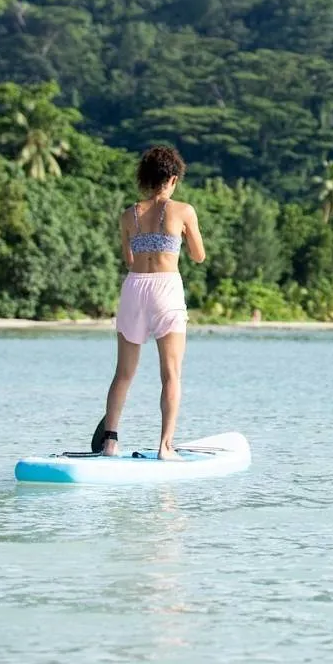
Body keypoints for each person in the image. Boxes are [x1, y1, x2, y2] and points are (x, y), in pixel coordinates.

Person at [94, 145, 206, 459]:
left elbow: (129, 258)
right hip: (166, 289)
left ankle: (110, 442)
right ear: (172, 178)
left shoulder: (128, 215)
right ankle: (165, 446)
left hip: (134, 289)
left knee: (123, 373)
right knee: (171, 374)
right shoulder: (183, 211)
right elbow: (198, 257)